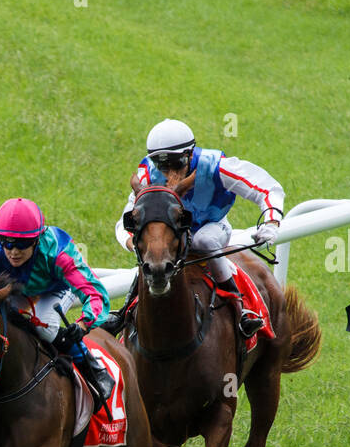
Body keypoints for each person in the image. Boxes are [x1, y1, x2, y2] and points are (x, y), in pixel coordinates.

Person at [114, 118, 284, 336]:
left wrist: (271, 221)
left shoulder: (216, 166)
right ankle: (125, 311)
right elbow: (125, 221)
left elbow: (267, 187)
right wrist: (134, 243)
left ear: (190, 154)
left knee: (204, 241)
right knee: (152, 252)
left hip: (212, 227)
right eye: (161, 165)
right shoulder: (147, 176)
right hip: (172, 237)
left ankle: (239, 307)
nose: (168, 173)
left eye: (175, 164)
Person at [0, 197, 116, 401]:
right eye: (7, 243)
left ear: (37, 239)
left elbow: (95, 292)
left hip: (57, 288)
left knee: (43, 324)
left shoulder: (58, 253)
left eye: (22, 243)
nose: (13, 251)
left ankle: (92, 367)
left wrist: (83, 324)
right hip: (17, 290)